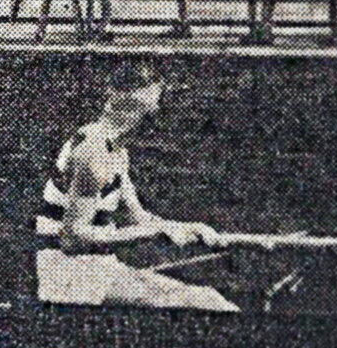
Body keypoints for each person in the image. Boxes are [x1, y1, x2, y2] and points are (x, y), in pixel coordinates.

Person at [34, 64, 234, 312]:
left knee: (209, 298)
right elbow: (72, 239)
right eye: (151, 106)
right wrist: (153, 233)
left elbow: (136, 217)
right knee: (208, 302)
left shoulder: (117, 150)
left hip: (94, 269)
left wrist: (184, 227)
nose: (155, 112)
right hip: (69, 276)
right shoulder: (94, 151)